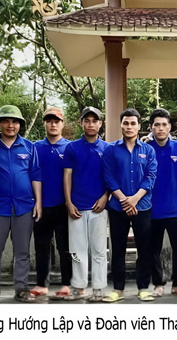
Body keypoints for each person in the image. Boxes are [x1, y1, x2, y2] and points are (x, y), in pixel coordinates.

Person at [0, 105, 42, 303]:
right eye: (6, 121)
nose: (10, 125)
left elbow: (35, 175)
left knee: (22, 251)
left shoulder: (29, 147)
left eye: (14, 122)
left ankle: (21, 289)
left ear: (20, 125)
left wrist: (38, 202)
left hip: (24, 206)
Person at [102, 108, 157, 302]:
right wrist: (124, 199)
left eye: (133, 123)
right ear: (121, 125)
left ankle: (143, 287)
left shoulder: (148, 150)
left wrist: (135, 199)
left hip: (142, 206)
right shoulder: (111, 150)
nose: (129, 126)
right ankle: (118, 289)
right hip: (118, 207)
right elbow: (108, 177)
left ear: (139, 126)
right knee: (118, 249)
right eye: (126, 123)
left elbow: (151, 176)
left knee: (144, 249)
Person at [146, 108, 177, 297]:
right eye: (157, 125)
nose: (160, 128)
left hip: (176, 208)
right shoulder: (145, 149)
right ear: (151, 127)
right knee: (153, 249)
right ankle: (158, 284)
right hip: (151, 208)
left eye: (164, 125)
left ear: (169, 127)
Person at [63, 106, 110, 301]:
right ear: (81, 123)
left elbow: (111, 177)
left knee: (99, 250)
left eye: (94, 121)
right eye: (87, 121)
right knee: (76, 250)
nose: (91, 124)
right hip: (77, 207)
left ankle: (98, 288)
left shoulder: (107, 149)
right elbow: (67, 175)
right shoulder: (72, 148)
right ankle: (79, 287)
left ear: (100, 124)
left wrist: (106, 196)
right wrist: (68, 202)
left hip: (99, 207)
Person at [31, 107, 73, 300]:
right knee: (41, 247)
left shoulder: (70, 148)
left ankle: (67, 284)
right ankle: (41, 284)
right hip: (41, 205)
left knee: (65, 247)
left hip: (64, 206)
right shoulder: (35, 148)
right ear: (44, 124)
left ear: (62, 124)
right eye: (49, 121)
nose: (53, 124)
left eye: (56, 121)